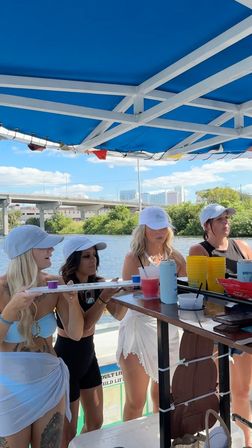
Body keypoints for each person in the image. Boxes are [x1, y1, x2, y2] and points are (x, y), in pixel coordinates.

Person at [0, 225, 84, 448]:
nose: (52, 250)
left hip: (49, 381)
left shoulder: (53, 285)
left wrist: (73, 301)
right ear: (26, 252)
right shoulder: (0, 288)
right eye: (44, 246)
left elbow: (75, 334)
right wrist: (10, 311)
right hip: (9, 387)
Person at [189, 203, 252, 447]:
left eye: (227, 218)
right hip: (215, 325)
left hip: (244, 323)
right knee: (217, 388)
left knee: (243, 389)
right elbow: (199, 288)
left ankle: (247, 440)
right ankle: (219, 437)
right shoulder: (199, 250)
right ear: (207, 226)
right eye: (220, 219)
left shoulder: (242, 246)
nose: (226, 222)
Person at [54, 236, 126, 447]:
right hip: (68, 358)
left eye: (94, 255)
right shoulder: (65, 289)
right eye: (86, 256)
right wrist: (103, 297)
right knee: (67, 433)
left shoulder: (98, 283)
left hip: (88, 356)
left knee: (96, 422)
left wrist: (128, 296)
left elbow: (119, 315)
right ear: (73, 260)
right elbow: (83, 327)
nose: (93, 260)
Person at [116, 206, 186, 421]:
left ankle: (161, 441)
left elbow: (185, 293)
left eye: (164, 226)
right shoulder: (133, 258)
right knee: (136, 401)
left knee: (164, 397)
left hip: (168, 329)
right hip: (139, 329)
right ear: (143, 229)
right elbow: (128, 298)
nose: (161, 231)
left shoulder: (175, 257)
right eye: (155, 227)